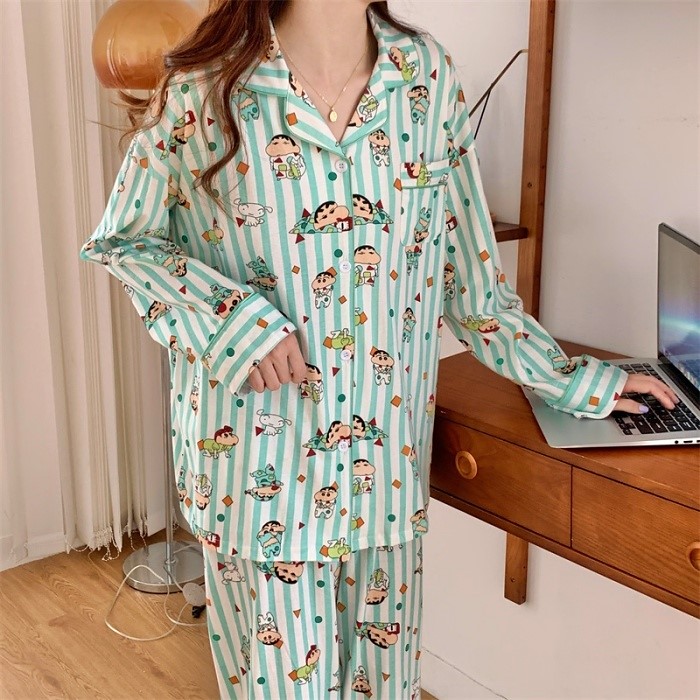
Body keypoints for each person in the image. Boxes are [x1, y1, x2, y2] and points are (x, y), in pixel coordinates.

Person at [78, 1, 679, 697]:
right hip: (256, 480)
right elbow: (125, 242)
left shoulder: (425, 78)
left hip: (382, 480)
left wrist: (578, 382)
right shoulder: (204, 87)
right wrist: (234, 323)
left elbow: (473, 287)